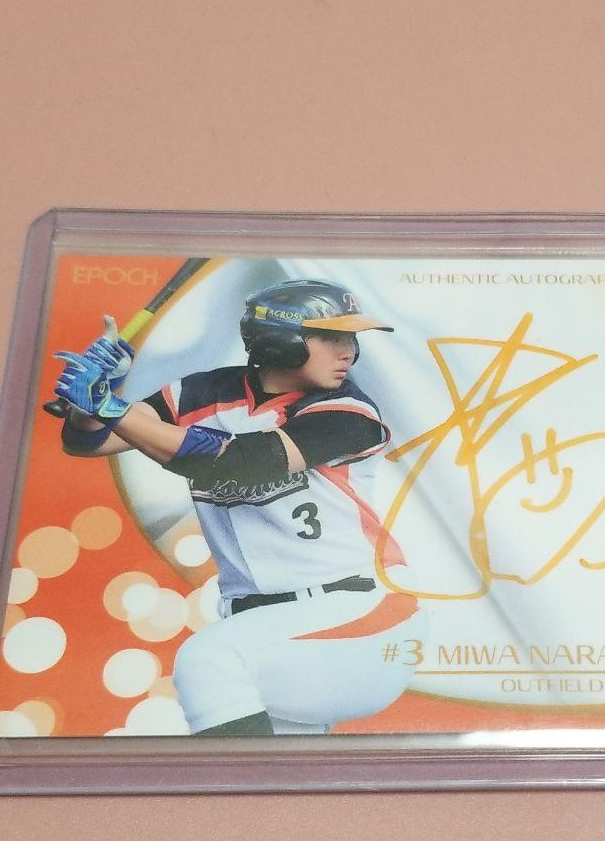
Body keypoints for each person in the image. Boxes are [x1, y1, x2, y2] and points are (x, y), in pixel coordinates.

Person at [54, 278, 422, 736]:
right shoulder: (201, 392)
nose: (348, 351)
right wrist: (91, 400)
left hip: (360, 611)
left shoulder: (348, 411)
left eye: (350, 338)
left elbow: (239, 464)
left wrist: (112, 408)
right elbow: (88, 441)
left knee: (209, 660)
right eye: (330, 337)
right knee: (273, 765)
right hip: (268, 627)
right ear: (279, 340)